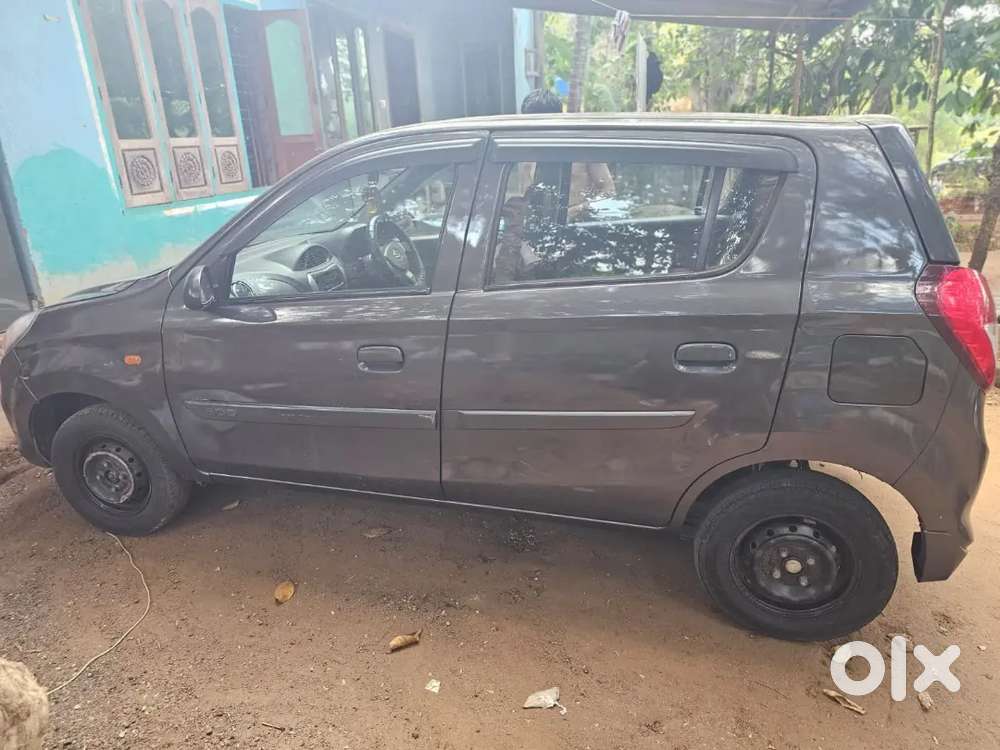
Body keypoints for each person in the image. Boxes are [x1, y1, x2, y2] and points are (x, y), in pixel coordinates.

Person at [519, 89, 615, 217]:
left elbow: (608, 191)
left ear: (557, 118)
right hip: (540, 228)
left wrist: (576, 211)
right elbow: (526, 199)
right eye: (530, 124)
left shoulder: (582, 147)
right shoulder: (528, 155)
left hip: (579, 225)